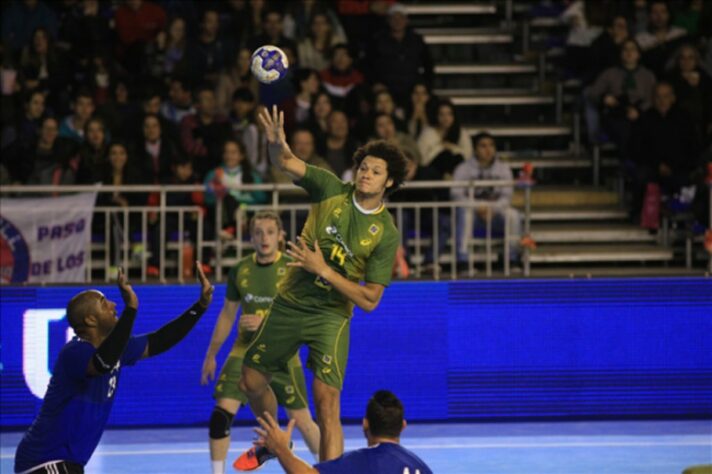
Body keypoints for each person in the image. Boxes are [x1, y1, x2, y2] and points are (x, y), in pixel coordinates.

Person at [234, 106, 407, 468]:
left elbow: (371, 300)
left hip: (331, 315)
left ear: (388, 182)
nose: (366, 174)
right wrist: (274, 143)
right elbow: (286, 161)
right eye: (363, 167)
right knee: (250, 381)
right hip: (290, 302)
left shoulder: (386, 233)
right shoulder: (330, 187)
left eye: (376, 171)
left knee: (327, 401)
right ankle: (272, 442)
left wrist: (323, 270)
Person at [14, 265, 214, 474]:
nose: (112, 304)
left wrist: (199, 306)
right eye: (103, 303)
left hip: (66, 462)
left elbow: (160, 340)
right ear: (90, 320)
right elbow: (103, 363)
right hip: (44, 459)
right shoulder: (75, 353)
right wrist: (131, 309)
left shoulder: (116, 350)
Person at [201, 211, 320, 474]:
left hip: (282, 352)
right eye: (258, 232)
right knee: (221, 415)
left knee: (301, 419)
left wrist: (264, 322)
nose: (264, 238)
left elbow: (303, 314)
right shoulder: (240, 269)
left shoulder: (293, 267)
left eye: (269, 232)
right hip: (244, 350)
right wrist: (211, 354)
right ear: (250, 237)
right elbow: (227, 314)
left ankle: (331, 467)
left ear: (281, 236)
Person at [253, 390, 433, 474]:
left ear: (365, 424)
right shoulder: (422, 467)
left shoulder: (360, 462)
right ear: (403, 425)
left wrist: (281, 450)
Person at [451, 132, 522, 268]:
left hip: (495, 215)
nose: (488, 149)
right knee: (464, 213)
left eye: (491, 145)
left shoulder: (503, 169)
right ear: (475, 149)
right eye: (483, 146)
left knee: (513, 215)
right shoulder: (463, 169)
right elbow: (456, 195)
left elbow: (507, 196)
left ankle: (512, 258)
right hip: (473, 214)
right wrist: (479, 206)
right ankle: (463, 259)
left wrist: (492, 209)